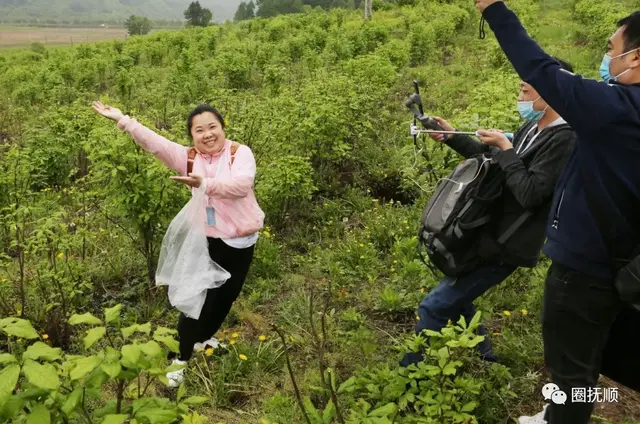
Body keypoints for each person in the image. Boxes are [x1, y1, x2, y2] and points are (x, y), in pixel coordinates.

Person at [475, 1, 640, 423]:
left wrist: (493, 9)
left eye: (611, 47)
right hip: (628, 270)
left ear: (635, 56)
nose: (607, 58)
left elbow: (539, 67)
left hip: (586, 272)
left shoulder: (615, 109)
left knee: (572, 377)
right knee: (598, 360)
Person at [400, 58, 577, 368]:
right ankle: (487, 359)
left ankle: (409, 373)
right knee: (458, 297)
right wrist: (454, 136)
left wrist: (506, 149)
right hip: (487, 233)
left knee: (434, 306)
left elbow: (531, 194)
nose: (521, 97)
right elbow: (493, 165)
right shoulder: (533, 127)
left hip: (506, 244)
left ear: (550, 92)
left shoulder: (564, 138)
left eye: (525, 90)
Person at [92, 101, 265, 387]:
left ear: (223, 128)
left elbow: (241, 186)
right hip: (209, 240)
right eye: (199, 130)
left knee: (227, 297)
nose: (207, 134)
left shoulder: (239, 153)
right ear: (192, 135)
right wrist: (123, 119)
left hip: (244, 240)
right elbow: (155, 143)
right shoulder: (187, 158)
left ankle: (203, 339)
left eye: (212, 127)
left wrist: (204, 183)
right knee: (199, 298)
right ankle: (180, 356)